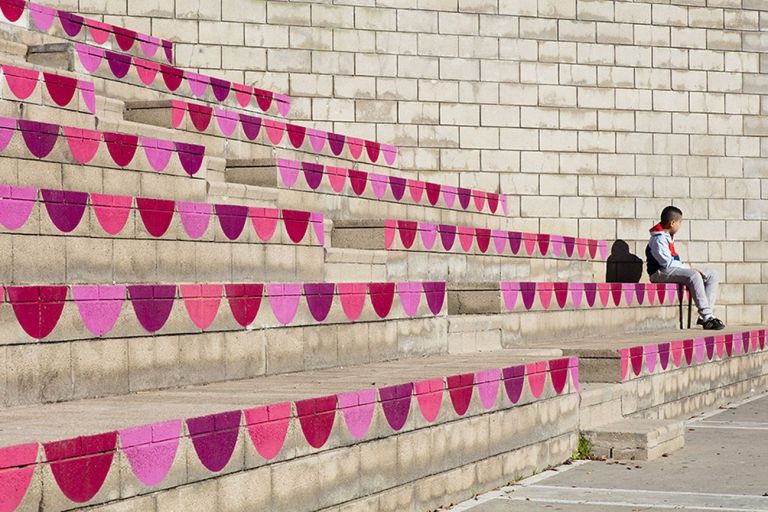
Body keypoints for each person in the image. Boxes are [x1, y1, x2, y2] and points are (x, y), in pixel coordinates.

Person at [646, 206, 725, 330]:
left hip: (668, 269)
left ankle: (705, 317)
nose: (680, 226)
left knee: (712, 274)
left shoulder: (667, 235)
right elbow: (667, 263)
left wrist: (687, 267)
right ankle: (707, 316)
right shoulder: (658, 239)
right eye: (679, 222)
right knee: (694, 275)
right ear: (672, 223)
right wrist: (689, 268)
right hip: (658, 272)